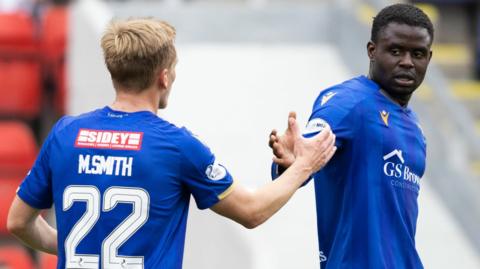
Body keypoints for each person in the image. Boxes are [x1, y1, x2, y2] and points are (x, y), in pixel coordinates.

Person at [6, 18, 336, 268]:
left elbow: (18, 222)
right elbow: (251, 212)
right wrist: (304, 166)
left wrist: (78, 250)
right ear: (163, 76)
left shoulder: (65, 134)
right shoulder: (175, 145)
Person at [270, 3, 433, 268]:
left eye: (418, 53)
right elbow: (305, 153)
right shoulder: (348, 102)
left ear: (429, 57)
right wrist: (292, 161)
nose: (407, 62)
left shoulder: (415, 128)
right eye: (395, 51)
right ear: (372, 50)